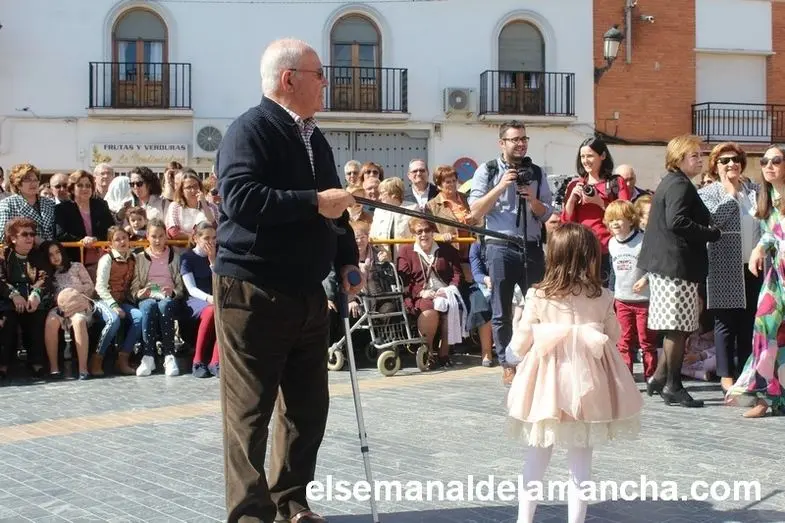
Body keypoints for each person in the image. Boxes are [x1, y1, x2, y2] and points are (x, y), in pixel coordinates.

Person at [213, 38, 360, 523]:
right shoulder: (249, 130)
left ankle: (291, 502)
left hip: (307, 292)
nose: (326, 83)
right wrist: (312, 202)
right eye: (319, 74)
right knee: (249, 413)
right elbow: (241, 198)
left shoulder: (315, 137)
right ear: (289, 78)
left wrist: (347, 258)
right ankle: (249, 515)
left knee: (308, 408)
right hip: (252, 290)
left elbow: (335, 206)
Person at [505, 223, 642, 523]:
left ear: (553, 256)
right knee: (581, 459)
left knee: (538, 454)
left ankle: (524, 519)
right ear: (589, 257)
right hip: (589, 385)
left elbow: (522, 341)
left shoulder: (539, 295)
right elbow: (615, 336)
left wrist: (511, 355)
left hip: (546, 384)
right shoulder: (602, 296)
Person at [638, 135, 721, 408]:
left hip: (668, 266)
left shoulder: (673, 182)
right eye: (694, 155)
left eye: (700, 154)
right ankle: (673, 385)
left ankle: (659, 378)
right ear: (679, 158)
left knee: (678, 327)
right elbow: (677, 221)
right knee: (677, 328)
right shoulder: (679, 185)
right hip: (675, 266)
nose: (700, 160)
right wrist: (709, 233)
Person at [468, 120, 552, 386]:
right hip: (500, 247)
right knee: (501, 310)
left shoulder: (536, 172)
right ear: (501, 143)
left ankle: (538, 359)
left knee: (540, 307)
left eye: (524, 139)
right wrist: (501, 186)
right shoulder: (488, 170)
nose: (521, 144)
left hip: (532, 246)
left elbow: (547, 212)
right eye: (515, 139)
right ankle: (507, 363)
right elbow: (475, 211)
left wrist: (533, 200)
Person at [727, 144, 785, 417]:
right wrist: (758, 249)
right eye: (764, 161)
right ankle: (762, 395)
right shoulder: (766, 197)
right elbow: (770, 233)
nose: (769, 166)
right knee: (764, 330)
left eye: (776, 160)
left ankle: (777, 399)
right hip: (776, 278)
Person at [604, 200, 657, 380]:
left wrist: (645, 279)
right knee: (623, 340)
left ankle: (651, 376)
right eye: (611, 220)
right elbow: (613, 272)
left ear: (631, 219)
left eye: (619, 219)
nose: (615, 224)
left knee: (646, 341)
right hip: (622, 300)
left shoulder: (643, 240)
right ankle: (626, 376)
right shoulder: (612, 243)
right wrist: (611, 295)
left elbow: (655, 265)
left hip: (643, 300)